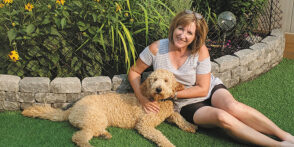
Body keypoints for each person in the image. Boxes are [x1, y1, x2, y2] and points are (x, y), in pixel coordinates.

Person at [128, 10, 294, 146]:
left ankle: (284, 135)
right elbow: (134, 72)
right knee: (222, 117)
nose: (183, 35)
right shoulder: (156, 49)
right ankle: (277, 145)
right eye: (180, 28)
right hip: (185, 104)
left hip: (207, 89)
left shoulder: (200, 51)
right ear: (174, 28)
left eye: (189, 32)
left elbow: (203, 88)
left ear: (195, 36)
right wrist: (142, 98)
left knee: (232, 107)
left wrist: (173, 94)